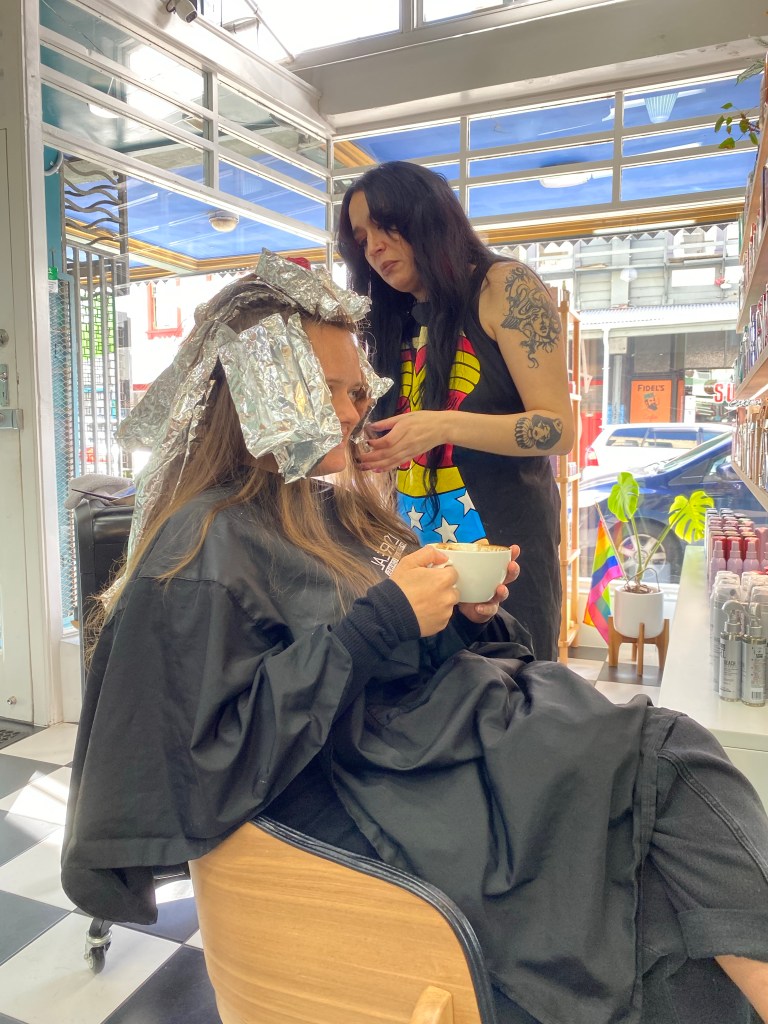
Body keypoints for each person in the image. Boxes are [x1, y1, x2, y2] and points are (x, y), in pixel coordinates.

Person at [61, 256, 768, 1024]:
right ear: (261, 389)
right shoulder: (202, 549)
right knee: (669, 760)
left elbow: (376, 662)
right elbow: (207, 761)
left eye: (354, 389)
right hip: (370, 794)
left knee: (663, 890)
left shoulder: (317, 510)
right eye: (334, 389)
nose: (353, 409)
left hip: (424, 751)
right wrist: (385, 621)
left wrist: (460, 618)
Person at [337, 161, 575, 660]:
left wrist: (441, 425)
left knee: (514, 686)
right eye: (362, 239)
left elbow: (557, 428)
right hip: (418, 557)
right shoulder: (391, 318)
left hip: (504, 557)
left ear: (425, 215)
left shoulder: (503, 288)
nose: (374, 247)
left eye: (384, 226)